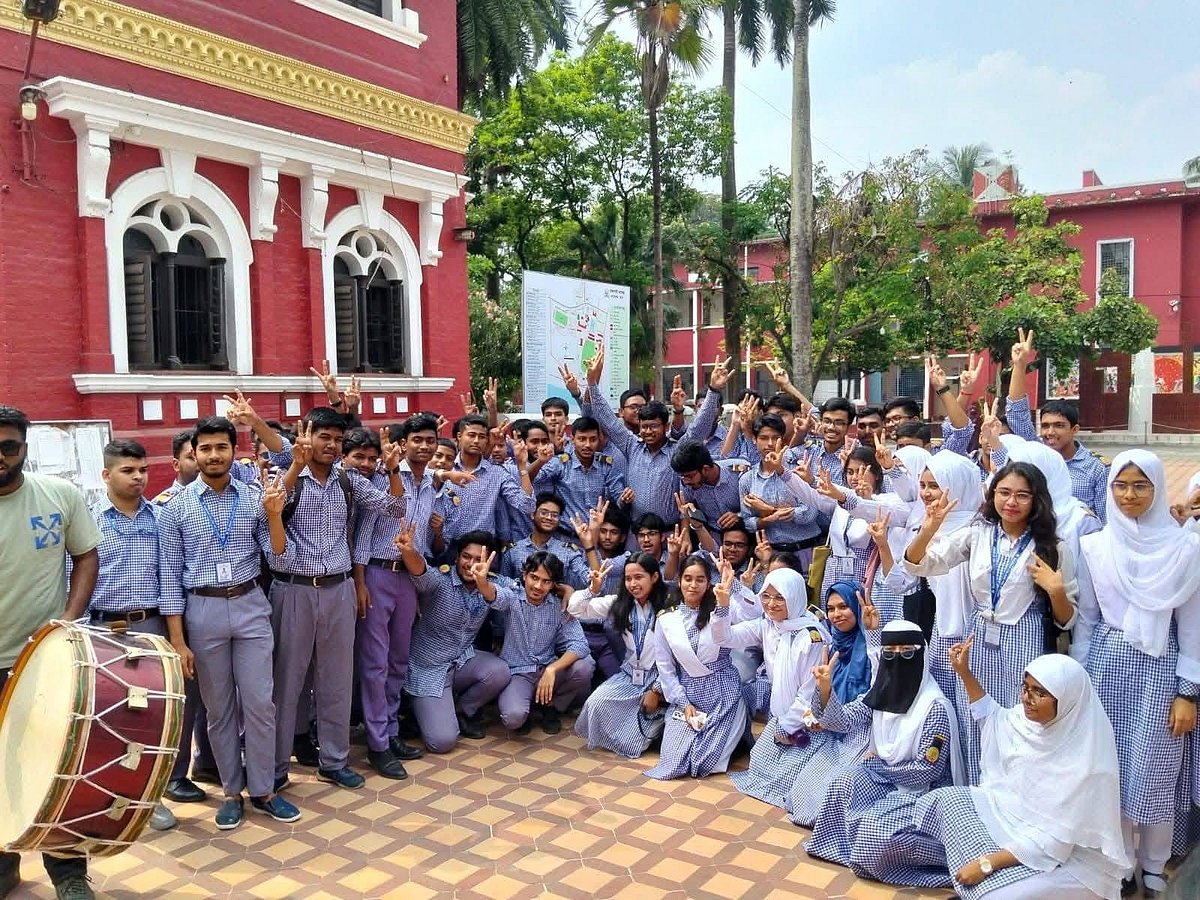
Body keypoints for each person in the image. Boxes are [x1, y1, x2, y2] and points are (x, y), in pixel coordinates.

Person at [157, 416, 299, 830]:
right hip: (202, 611)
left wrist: (275, 516)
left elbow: (279, 558)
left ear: (233, 451)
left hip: (250, 602)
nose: (214, 455)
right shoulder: (175, 507)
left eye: (222, 447)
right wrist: (179, 642)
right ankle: (231, 794)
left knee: (259, 702)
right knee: (218, 710)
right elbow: (169, 579)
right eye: (205, 448)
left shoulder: (256, 496)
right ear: (195, 454)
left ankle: (264, 790)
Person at [1070, 450, 1200, 898]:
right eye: (1120, 485)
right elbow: (1086, 618)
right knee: (1113, 768)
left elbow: (1193, 625)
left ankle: (1154, 862)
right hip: (1108, 666)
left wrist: (1188, 693)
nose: (1129, 495)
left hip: (1163, 668)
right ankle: (1120, 859)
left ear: (1159, 489)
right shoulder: (1096, 546)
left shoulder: (1185, 548)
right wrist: (1083, 679)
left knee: (1158, 768)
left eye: (1140, 486)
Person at [903, 461, 1078, 784]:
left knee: (1018, 720)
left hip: (1025, 637)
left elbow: (1067, 621)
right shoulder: (978, 534)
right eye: (1004, 493)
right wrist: (929, 529)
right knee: (975, 716)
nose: (1011, 503)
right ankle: (976, 793)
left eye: (1022, 495)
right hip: (979, 635)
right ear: (992, 494)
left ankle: (1015, 797)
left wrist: (1055, 591)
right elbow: (921, 565)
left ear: (1037, 499)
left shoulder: (1053, 547)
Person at [916, 642, 1128, 900]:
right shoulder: (1028, 724)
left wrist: (987, 864)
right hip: (1019, 826)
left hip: (1072, 863)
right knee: (947, 799)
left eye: (1039, 692)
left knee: (994, 897)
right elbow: (991, 717)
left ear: (1067, 699)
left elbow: (1053, 844)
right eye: (1025, 688)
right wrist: (964, 672)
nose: (1027, 698)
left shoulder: (1089, 766)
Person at [268, 408, 409, 792]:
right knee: (288, 681)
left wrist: (394, 471)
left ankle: (334, 761)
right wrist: (295, 465)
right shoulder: (286, 477)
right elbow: (272, 508)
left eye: (336, 440)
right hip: (294, 588)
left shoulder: (347, 482)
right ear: (307, 437)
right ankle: (277, 768)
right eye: (323, 437)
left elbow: (394, 509)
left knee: (336, 681)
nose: (330, 446)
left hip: (339, 588)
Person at [0, 406, 101, 900]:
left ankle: (67, 873)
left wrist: (69, 616)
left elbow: (85, 555)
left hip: (41, 660)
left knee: (58, 765)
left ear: (25, 446)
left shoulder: (59, 496)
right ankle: (3, 863)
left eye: (8, 447)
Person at [805, 620, 962, 888]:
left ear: (921, 656)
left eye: (907, 652)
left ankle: (934, 860)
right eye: (890, 653)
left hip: (924, 791)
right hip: (887, 779)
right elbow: (843, 721)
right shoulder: (880, 694)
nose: (898, 659)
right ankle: (856, 850)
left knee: (877, 832)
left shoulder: (934, 707)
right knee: (842, 784)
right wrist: (824, 688)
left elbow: (928, 770)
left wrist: (878, 767)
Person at [84, 440, 179, 831]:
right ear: (106, 475)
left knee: (151, 718)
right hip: (102, 631)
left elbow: (171, 579)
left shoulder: (161, 519)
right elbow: (72, 579)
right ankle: (101, 796)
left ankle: (148, 800)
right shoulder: (87, 520)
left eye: (142, 470)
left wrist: (175, 638)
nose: (138, 477)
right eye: (127, 470)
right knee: (104, 718)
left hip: (150, 629)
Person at [352, 413, 449, 778]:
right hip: (377, 574)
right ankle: (376, 743)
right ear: (404, 443)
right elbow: (363, 532)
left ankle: (391, 731)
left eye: (430, 440)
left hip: (409, 579)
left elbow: (425, 540)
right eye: (418, 440)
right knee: (374, 664)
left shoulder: (430, 486)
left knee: (397, 660)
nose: (424, 446)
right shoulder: (384, 477)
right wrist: (360, 582)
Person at [393, 528, 515, 752]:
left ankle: (459, 711)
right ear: (457, 557)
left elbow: (510, 598)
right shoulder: (441, 579)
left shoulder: (492, 583)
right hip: (428, 668)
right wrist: (409, 551)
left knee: (500, 671)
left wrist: (483, 584)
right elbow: (421, 572)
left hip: (461, 661)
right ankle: (416, 710)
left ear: (489, 561)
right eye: (466, 557)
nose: (471, 564)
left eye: (479, 559)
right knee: (442, 742)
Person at [579, 341, 727, 527]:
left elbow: (699, 427)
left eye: (654, 426)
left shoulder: (679, 450)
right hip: (637, 534)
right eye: (644, 426)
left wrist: (713, 390)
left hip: (668, 535)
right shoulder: (631, 446)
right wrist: (592, 383)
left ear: (666, 426)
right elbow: (607, 418)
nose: (648, 431)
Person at [724, 568, 830, 809]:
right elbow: (725, 637)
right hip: (780, 716)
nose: (771, 604)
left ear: (794, 597)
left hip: (807, 720)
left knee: (794, 773)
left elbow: (809, 693)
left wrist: (788, 726)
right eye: (766, 596)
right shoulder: (770, 625)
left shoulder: (811, 637)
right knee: (760, 764)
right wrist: (722, 606)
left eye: (779, 597)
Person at [154, 429, 219, 795]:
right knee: (185, 698)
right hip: (181, 608)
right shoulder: (167, 506)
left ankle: (208, 762)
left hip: (217, 606)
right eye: (195, 454)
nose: (204, 460)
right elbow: (169, 571)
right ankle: (176, 774)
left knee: (215, 694)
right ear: (178, 462)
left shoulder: (228, 494)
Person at [645, 555, 747, 779]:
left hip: (723, 693)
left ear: (709, 582)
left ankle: (735, 735)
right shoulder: (666, 619)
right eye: (688, 579)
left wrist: (733, 585)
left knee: (703, 762)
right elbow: (666, 668)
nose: (693, 585)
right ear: (679, 581)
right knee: (673, 764)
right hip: (687, 693)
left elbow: (752, 612)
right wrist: (683, 703)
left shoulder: (722, 610)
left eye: (700, 579)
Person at [787, 581, 879, 827]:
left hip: (861, 732)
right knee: (798, 793)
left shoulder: (872, 648)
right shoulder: (834, 646)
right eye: (831, 608)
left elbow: (872, 696)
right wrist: (818, 713)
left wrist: (829, 714)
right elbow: (819, 690)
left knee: (826, 799)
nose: (836, 615)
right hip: (830, 727)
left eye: (844, 607)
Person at [570, 554, 671, 757]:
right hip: (630, 674)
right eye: (628, 578)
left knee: (638, 739)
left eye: (639, 577)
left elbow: (676, 658)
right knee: (595, 703)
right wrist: (593, 589)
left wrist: (657, 690)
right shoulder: (619, 603)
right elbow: (576, 610)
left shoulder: (669, 605)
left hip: (662, 677)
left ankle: (660, 718)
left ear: (654, 577)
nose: (632, 584)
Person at [496, 552, 594, 734]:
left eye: (546, 581)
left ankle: (552, 708)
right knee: (513, 718)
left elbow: (580, 644)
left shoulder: (559, 605)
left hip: (547, 668)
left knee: (585, 666)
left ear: (553, 584)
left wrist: (552, 669)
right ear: (524, 575)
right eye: (534, 577)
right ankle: (529, 708)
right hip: (518, 672)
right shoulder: (511, 594)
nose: (538, 586)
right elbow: (491, 587)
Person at [1036, 400, 1109, 524]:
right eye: (1045, 426)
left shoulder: (1097, 467)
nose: (1050, 432)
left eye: (1059, 426)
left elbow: (1104, 519)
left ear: (1075, 429)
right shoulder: (1036, 461)